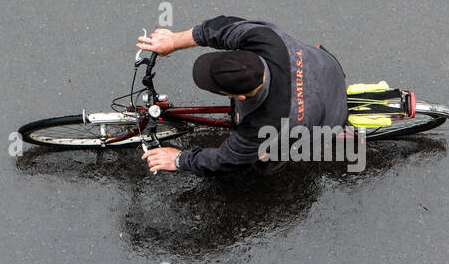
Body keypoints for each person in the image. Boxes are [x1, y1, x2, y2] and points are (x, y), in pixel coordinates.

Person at [135, 15, 348, 175]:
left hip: (331, 118)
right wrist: (173, 41)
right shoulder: (263, 38)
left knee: (260, 160)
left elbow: (226, 160)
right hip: (326, 67)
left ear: (240, 96)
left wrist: (179, 159)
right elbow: (217, 30)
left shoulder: (264, 125)